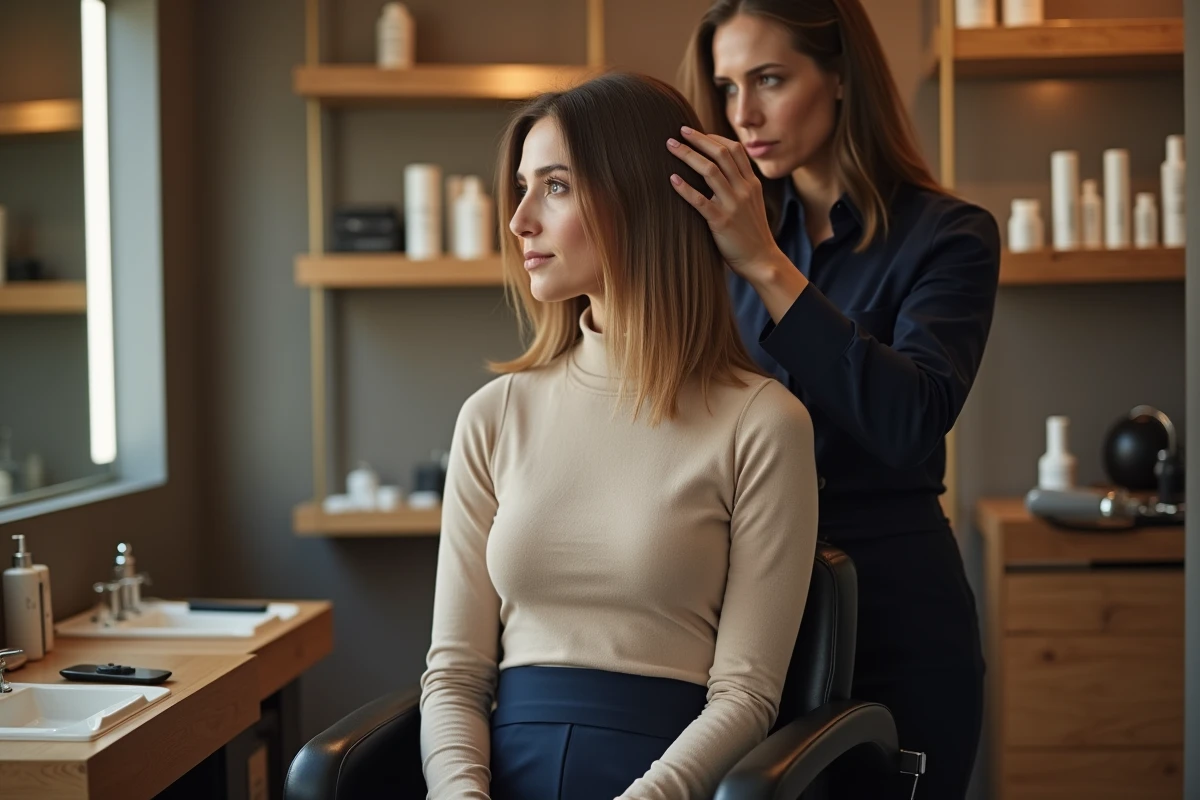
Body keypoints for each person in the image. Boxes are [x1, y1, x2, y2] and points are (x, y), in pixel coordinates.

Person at [418, 72, 820, 800]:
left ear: (641, 197)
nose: (520, 220)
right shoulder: (494, 415)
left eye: (557, 187)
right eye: (522, 187)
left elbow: (746, 696)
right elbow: (454, 674)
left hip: (663, 782)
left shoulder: (763, 423)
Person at [672, 1, 1000, 798]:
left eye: (770, 80)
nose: (742, 114)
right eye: (726, 87)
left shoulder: (950, 235)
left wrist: (768, 268)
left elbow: (909, 418)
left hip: (898, 608)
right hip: (747, 616)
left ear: (842, 77)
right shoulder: (715, 244)